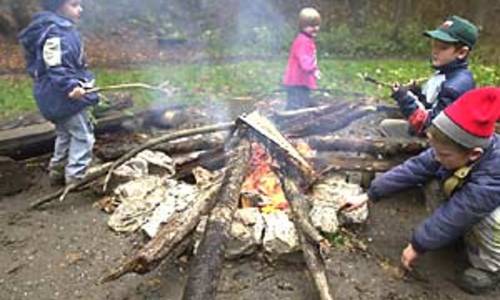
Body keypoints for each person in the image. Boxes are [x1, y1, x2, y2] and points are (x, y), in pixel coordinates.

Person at [345, 87, 500, 294]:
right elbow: (414, 168)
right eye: (433, 150)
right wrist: (370, 194)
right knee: (434, 184)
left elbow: (462, 211)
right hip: (470, 202)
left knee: (491, 219)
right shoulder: (448, 151)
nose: (435, 157)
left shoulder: (494, 171)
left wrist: (418, 244)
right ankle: (456, 238)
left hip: (486, 208)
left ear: (474, 155)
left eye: (442, 154)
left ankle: (490, 267)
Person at [19, 0, 98, 186]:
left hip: (52, 93)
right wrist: (71, 86)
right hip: (63, 95)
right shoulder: (55, 32)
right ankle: (77, 177)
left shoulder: (58, 29)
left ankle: (58, 170)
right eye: (74, 4)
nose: (80, 9)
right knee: (83, 135)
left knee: (65, 133)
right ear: (58, 6)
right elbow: (55, 65)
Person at [381, 15, 479, 137]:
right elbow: (430, 105)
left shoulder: (453, 86)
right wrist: (415, 92)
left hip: (445, 143)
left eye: (443, 47)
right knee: (386, 125)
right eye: (434, 45)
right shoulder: (446, 74)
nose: (435, 51)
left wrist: (404, 99)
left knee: (385, 126)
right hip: (438, 135)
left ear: (462, 52)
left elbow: (429, 126)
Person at [282, 7, 321, 110]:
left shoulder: (306, 39)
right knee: (296, 107)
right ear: (302, 26)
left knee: (301, 103)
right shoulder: (303, 41)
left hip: (300, 81)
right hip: (297, 81)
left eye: (317, 25)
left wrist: (315, 70)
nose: (315, 28)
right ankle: (289, 123)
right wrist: (313, 69)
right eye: (311, 26)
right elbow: (306, 63)